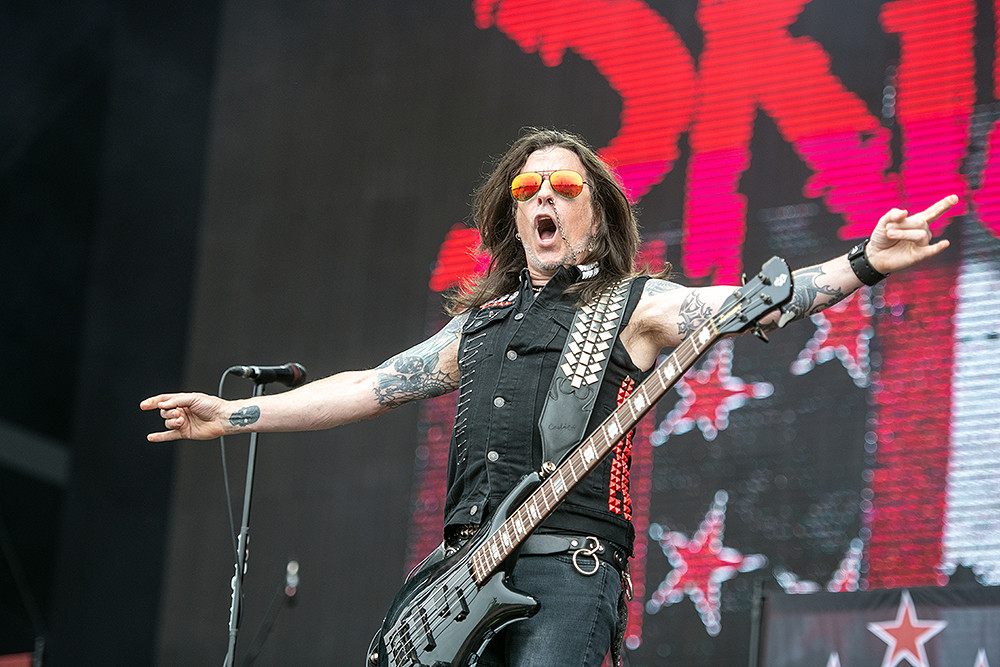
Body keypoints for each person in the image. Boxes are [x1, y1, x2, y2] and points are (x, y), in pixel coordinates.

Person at [141, 128, 955, 666]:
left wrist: (862, 262)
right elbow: (369, 386)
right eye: (528, 186)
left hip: (568, 568)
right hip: (456, 580)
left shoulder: (635, 305)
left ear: (595, 218)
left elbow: (749, 303)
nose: (542, 196)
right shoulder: (476, 327)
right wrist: (232, 416)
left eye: (563, 185)